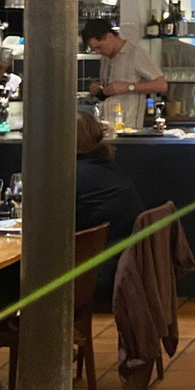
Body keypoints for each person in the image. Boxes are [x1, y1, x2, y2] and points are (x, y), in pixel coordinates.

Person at [75, 111, 146, 303]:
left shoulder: (74, 175)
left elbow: (48, 225)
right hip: (126, 270)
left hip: (99, 277)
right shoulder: (108, 167)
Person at [82, 19, 167, 130]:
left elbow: (162, 85)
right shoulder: (105, 58)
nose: (97, 52)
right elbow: (110, 90)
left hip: (128, 128)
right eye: (94, 49)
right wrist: (99, 89)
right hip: (106, 126)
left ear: (110, 37)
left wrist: (128, 87)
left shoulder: (136, 54)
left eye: (99, 47)